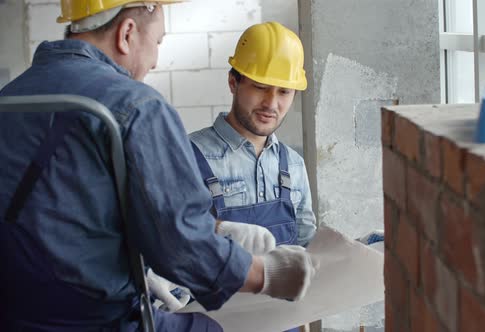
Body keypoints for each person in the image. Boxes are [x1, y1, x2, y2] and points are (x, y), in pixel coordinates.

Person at [0, 1, 318, 331]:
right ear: (126, 34)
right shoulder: (136, 105)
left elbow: (71, 211)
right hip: (98, 320)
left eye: (284, 91)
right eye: (157, 43)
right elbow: (180, 245)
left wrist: (214, 232)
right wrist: (266, 273)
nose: (153, 60)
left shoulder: (10, 96)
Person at [189, 21, 316, 250]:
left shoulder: (294, 165)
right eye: (260, 87)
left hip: (282, 287)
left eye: (284, 92)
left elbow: (308, 248)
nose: (271, 103)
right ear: (233, 83)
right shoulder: (187, 156)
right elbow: (170, 249)